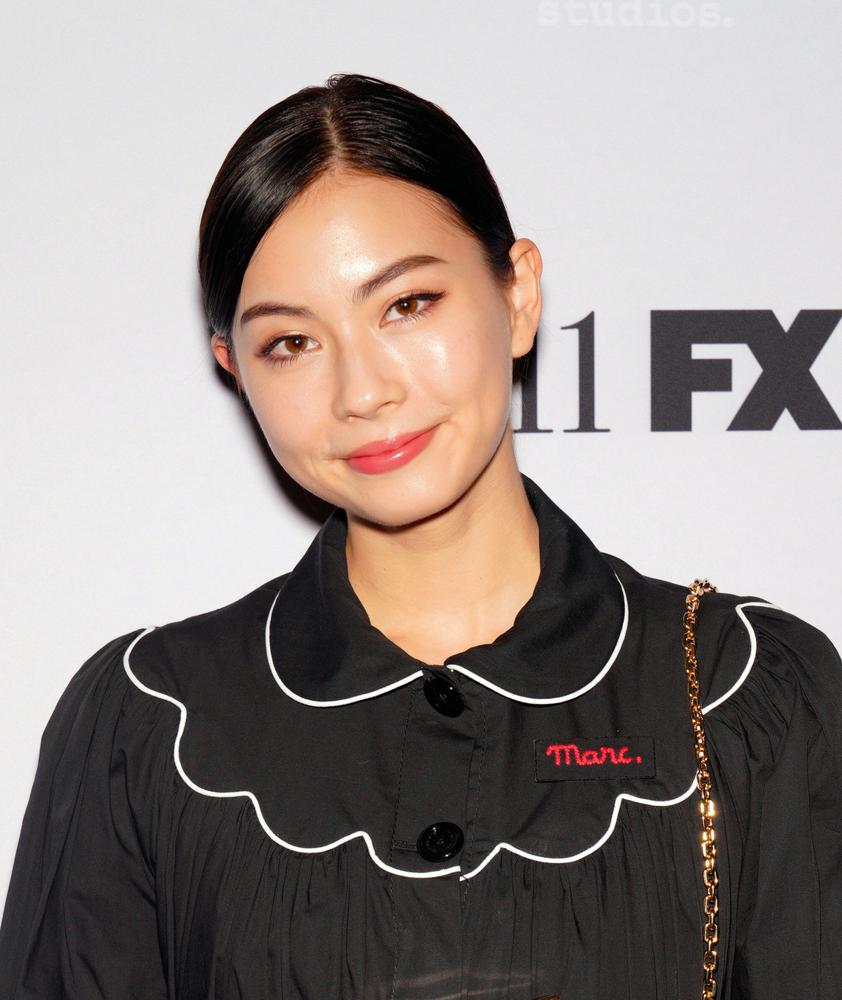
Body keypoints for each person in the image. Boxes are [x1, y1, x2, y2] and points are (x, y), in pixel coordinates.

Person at [0, 72, 840, 1000]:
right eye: (291, 343)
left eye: (406, 305)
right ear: (234, 369)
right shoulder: (148, 727)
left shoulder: (749, 691)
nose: (363, 391)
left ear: (518, 294)